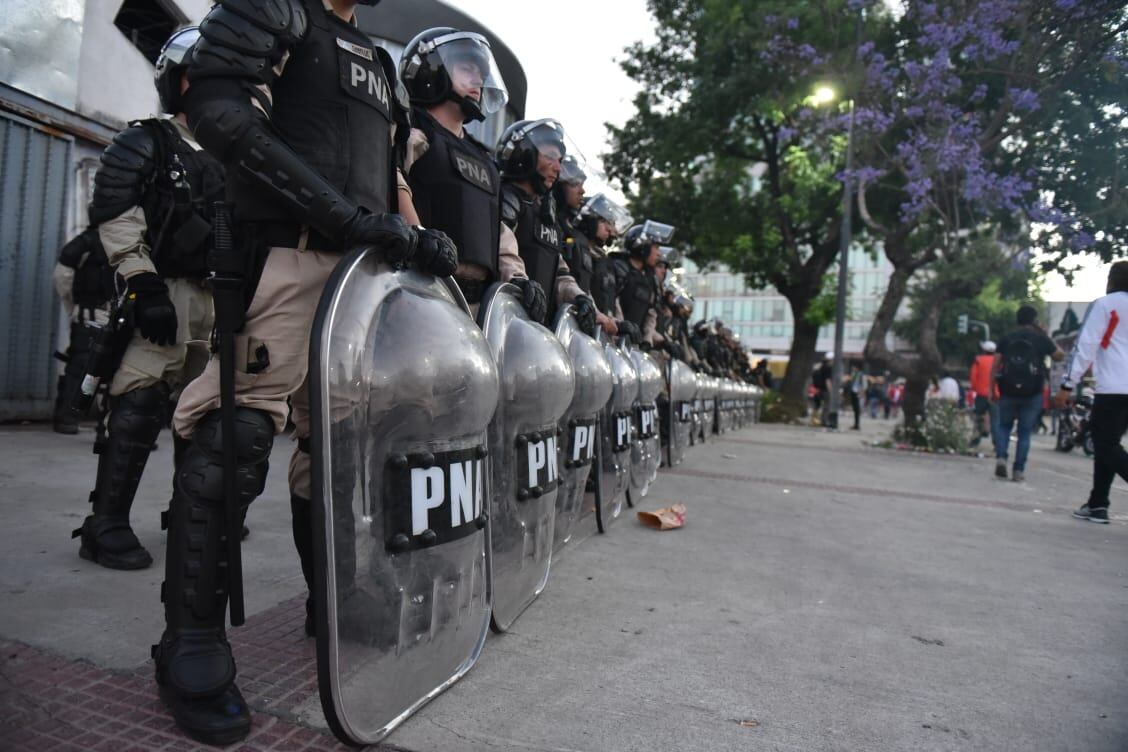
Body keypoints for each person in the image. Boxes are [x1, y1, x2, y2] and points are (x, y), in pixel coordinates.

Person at [160, 0, 459, 743]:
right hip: (287, 257)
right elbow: (221, 116)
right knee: (237, 433)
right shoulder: (272, 8)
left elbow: (391, 179)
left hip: (361, 279)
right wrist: (339, 215)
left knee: (340, 452)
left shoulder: (378, 63)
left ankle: (334, 602)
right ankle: (190, 640)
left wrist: (420, 242)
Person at [72, 27, 223, 572]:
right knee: (137, 404)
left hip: (217, 302)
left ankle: (191, 513)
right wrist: (142, 283)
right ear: (181, 81)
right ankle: (105, 522)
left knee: (205, 410)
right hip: (165, 293)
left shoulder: (237, 157)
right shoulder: (147, 142)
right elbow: (115, 213)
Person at [398, 26, 540, 318]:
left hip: (477, 309)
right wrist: (419, 236)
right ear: (430, 69)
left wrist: (518, 278)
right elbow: (389, 184)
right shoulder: (411, 133)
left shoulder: (485, 161)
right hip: (419, 291)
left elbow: (498, 230)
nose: (478, 79)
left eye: (481, 71)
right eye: (466, 68)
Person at [496, 119, 595, 330]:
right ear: (524, 153)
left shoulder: (545, 216)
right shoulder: (507, 199)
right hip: (502, 323)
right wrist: (519, 282)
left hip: (537, 329)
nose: (558, 167)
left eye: (559, 159)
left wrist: (578, 297)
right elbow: (503, 249)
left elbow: (559, 271)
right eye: (550, 156)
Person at [1056, 261, 1128, 524]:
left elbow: (1085, 346)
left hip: (1114, 389)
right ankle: (1098, 504)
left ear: (1111, 280)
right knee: (1107, 445)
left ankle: (1098, 502)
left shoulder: (1106, 305)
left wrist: (1066, 385)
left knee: (1105, 444)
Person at [51, 223, 117, 434]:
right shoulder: (87, 242)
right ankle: (67, 418)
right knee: (81, 367)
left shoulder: (131, 241)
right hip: (91, 316)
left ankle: (111, 424)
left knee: (120, 371)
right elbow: (62, 276)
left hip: (116, 315)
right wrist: (76, 309)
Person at [992, 305, 1065, 482]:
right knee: (1024, 432)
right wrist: (1045, 334)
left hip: (1007, 390)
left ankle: (1001, 457)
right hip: (1032, 393)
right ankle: (1018, 470)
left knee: (1003, 426)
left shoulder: (1007, 338)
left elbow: (996, 366)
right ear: (1034, 321)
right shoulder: (1040, 339)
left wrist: (991, 389)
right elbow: (1060, 356)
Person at [611, 220, 675, 348]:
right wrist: (620, 327)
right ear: (642, 246)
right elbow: (612, 301)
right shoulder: (619, 268)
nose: (659, 253)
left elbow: (651, 313)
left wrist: (647, 340)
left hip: (634, 346)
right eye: (655, 247)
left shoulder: (650, 278)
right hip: (612, 340)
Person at [968, 340, 997, 448]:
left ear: (984, 350)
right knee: (996, 420)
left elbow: (973, 377)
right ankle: (997, 443)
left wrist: (976, 388)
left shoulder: (978, 360)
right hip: (995, 395)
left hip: (981, 394)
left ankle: (975, 440)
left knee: (978, 418)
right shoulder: (999, 361)